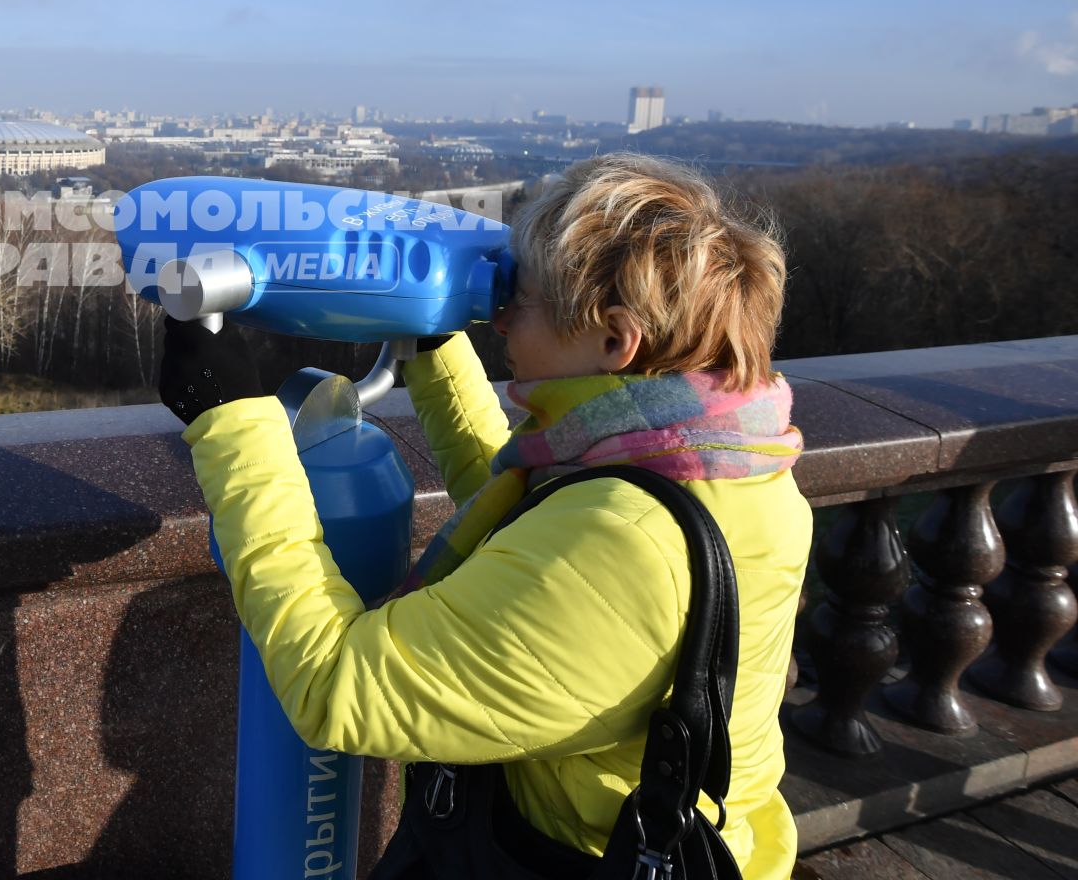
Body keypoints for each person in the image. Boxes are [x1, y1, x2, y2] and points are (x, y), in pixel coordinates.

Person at [158, 153, 813, 880]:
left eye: (521, 299)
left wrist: (231, 420)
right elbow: (533, 529)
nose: (499, 316)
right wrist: (435, 345)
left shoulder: (626, 545)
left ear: (615, 339)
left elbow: (336, 681)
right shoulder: (728, 459)